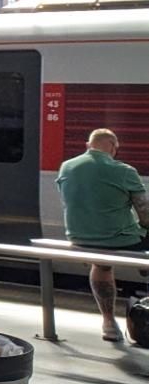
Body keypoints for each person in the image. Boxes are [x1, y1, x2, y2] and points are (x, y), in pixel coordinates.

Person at [56, 127, 149, 341]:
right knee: (129, 239)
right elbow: (144, 214)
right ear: (114, 147)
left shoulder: (67, 167)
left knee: (102, 261)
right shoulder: (124, 170)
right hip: (119, 239)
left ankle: (108, 323)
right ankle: (143, 267)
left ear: (88, 146)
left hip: (79, 238)